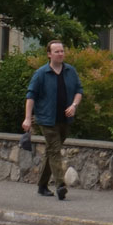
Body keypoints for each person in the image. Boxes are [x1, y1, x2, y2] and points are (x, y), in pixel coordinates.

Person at [22, 41, 82, 200]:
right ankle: (60, 185)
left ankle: (42, 185)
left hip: (65, 119)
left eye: (62, 51)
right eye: (57, 51)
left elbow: (78, 91)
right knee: (55, 150)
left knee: (51, 151)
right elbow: (31, 96)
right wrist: (28, 118)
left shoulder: (70, 71)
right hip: (47, 119)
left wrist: (74, 105)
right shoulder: (41, 73)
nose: (60, 54)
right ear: (49, 54)